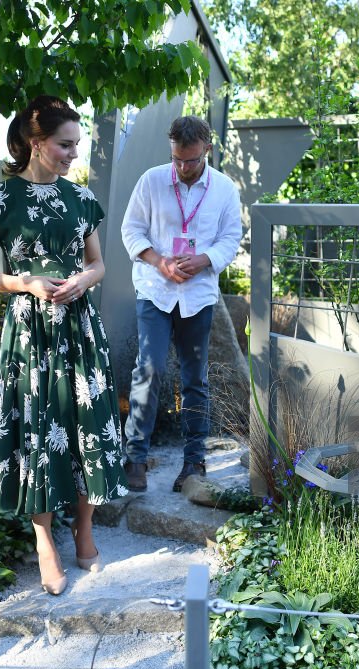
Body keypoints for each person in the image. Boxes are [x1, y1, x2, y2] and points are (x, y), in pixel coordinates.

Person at [0, 95, 128, 596]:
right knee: (38, 428)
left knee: (87, 428)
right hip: (30, 333)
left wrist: (82, 281)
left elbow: (99, 264)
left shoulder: (81, 201)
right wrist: (23, 283)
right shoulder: (0, 200)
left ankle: (84, 528)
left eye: (76, 144)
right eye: (65, 144)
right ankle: (44, 543)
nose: (73, 153)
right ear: (36, 142)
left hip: (79, 329)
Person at [120, 116, 243, 493]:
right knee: (150, 368)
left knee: (196, 379)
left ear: (207, 147)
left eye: (190, 160)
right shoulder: (151, 181)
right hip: (155, 291)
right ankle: (135, 459)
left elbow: (231, 238)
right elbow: (132, 230)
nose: (183, 168)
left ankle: (194, 464)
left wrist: (204, 259)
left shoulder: (224, 189)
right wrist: (160, 261)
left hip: (198, 295)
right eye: (177, 160)